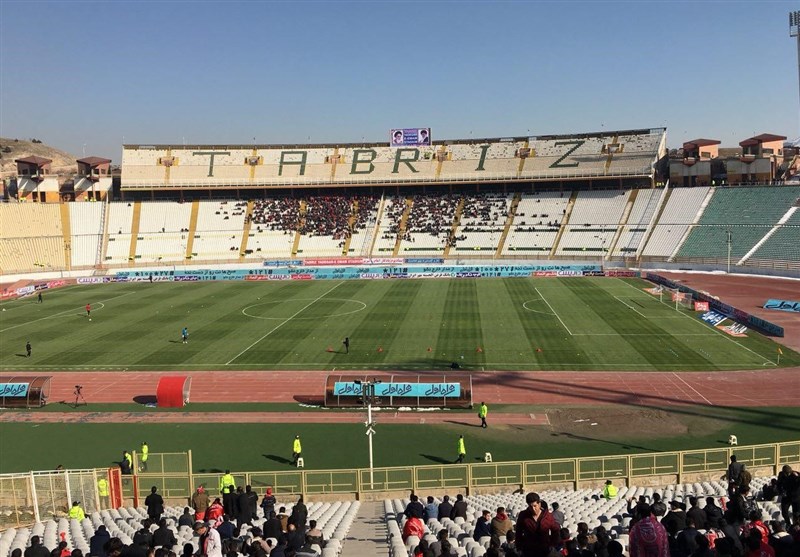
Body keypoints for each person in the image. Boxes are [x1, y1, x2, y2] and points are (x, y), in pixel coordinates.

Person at [515, 492, 560, 557]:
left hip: (545, 551)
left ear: (539, 504)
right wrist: (519, 548)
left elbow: (555, 530)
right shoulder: (523, 515)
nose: (533, 509)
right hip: (529, 551)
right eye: (530, 506)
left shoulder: (548, 516)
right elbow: (518, 532)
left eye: (535, 506)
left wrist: (552, 544)